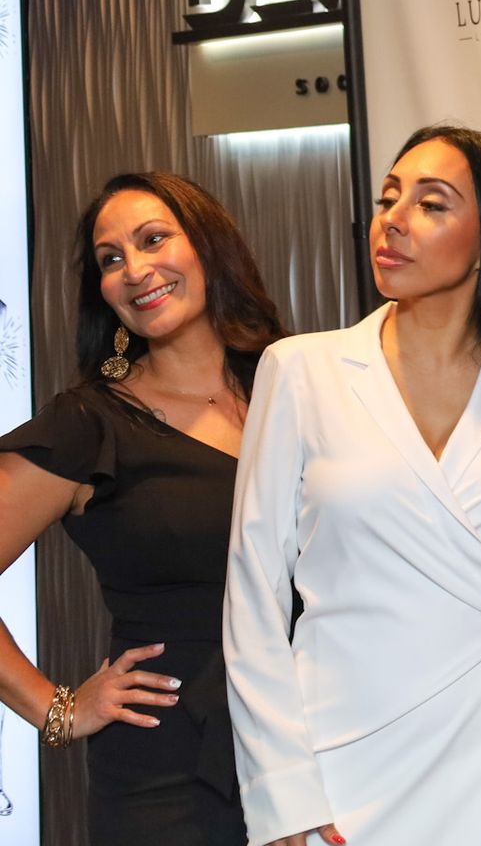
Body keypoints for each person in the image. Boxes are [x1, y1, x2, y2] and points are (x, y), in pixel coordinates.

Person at [225, 126, 481, 846]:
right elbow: (252, 599)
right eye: (387, 198)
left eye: (431, 204)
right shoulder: (301, 370)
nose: (394, 220)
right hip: (339, 762)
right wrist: (284, 795)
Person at [0, 172, 283, 844]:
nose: (134, 270)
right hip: (170, 782)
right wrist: (55, 709)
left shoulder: (288, 386)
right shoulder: (89, 424)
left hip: (309, 751)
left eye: (154, 239)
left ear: (209, 247)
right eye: (111, 259)